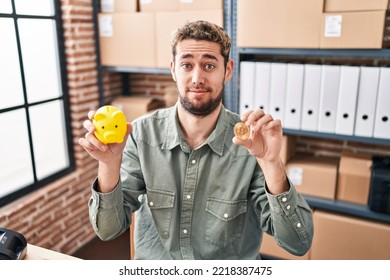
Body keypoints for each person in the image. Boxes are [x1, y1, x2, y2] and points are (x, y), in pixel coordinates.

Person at [79, 20, 314, 260]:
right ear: (173, 69)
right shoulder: (140, 135)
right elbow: (107, 231)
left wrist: (271, 164)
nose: (197, 78)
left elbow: (298, 243)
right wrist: (109, 164)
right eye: (187, 65)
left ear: (228, 70)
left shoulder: (252, 144)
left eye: (209, 65)